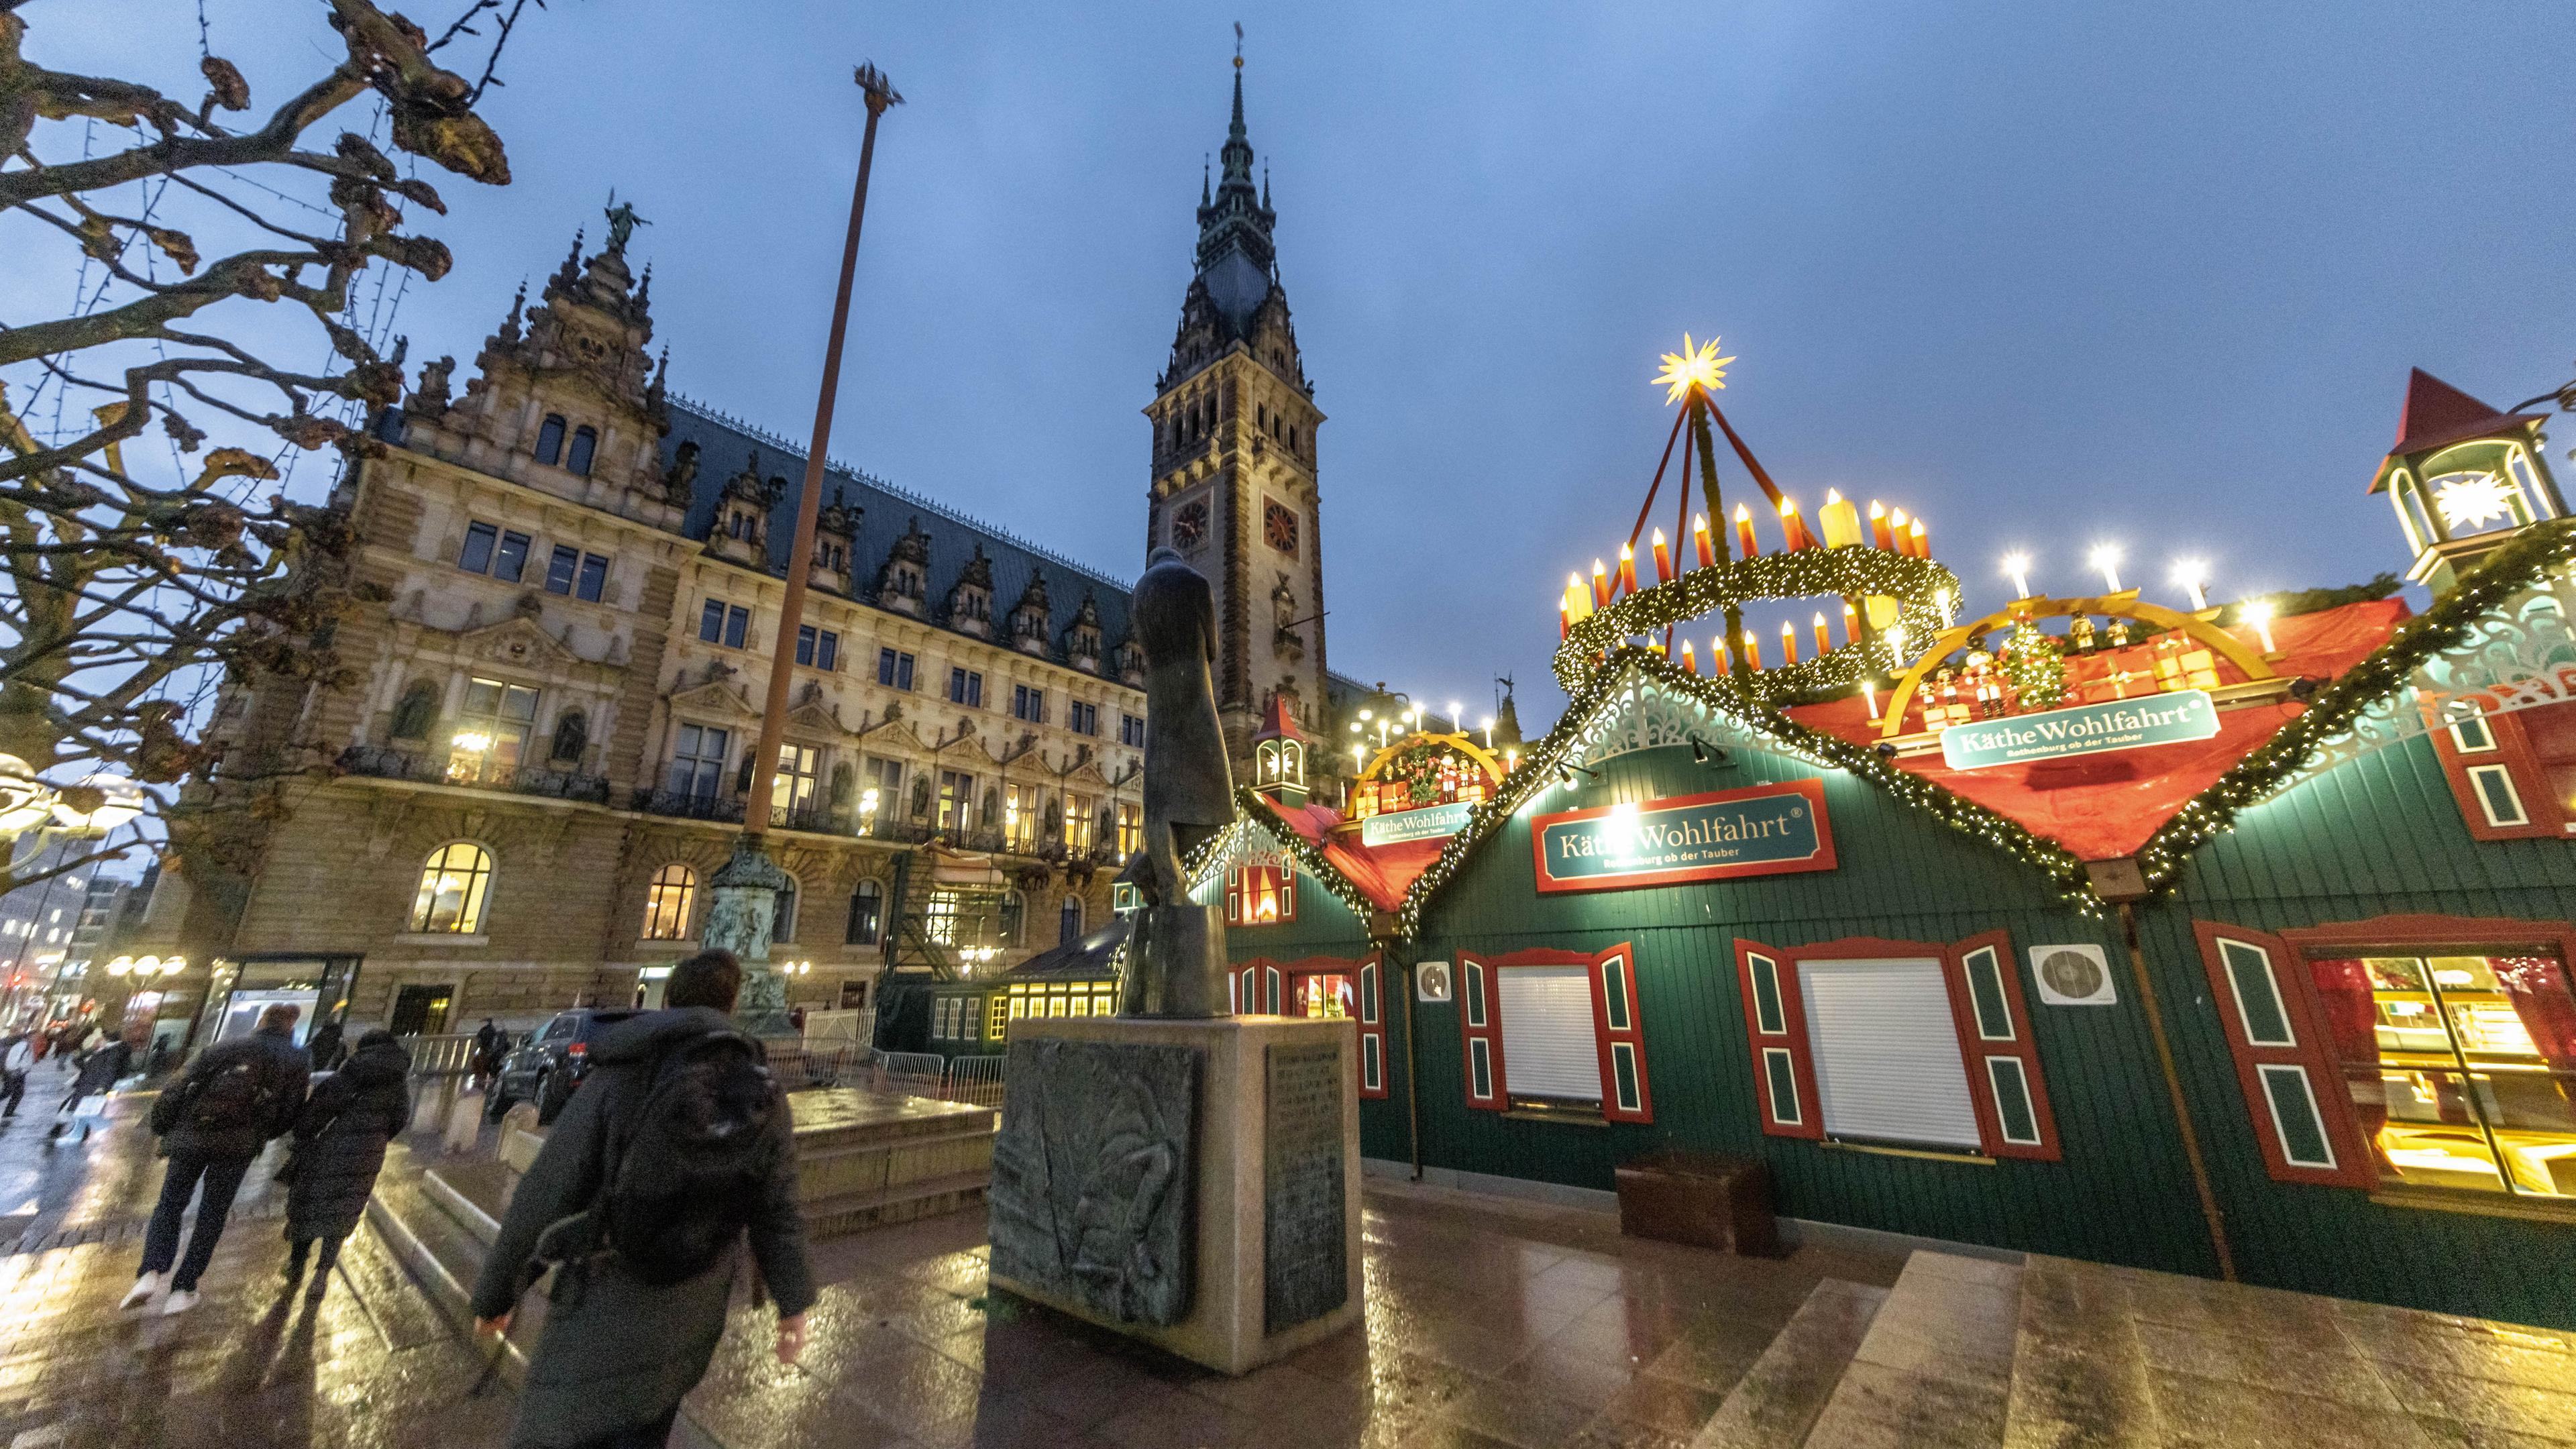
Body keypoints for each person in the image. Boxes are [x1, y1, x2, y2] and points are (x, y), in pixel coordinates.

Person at [472, 950, 814, 1449]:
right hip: (690, 1307)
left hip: (602, 1291)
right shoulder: (760, 1089)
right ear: (734, 1004)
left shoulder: (620, 1073)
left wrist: (499, 1292)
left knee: (562, 1424)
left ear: (668, 999)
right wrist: (793, 1305)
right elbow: (778, 1206)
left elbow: (549, 1189)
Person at [123, 1004, 311, 1316]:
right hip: (238, 1146)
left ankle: (150, 1272)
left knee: (170, 1203)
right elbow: (291, 1112)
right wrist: (261, 1133)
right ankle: (184, 1289)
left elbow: (179, 1086)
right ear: (291, 1026)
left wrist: (163, 1126)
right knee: (213, 1213)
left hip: (192, 1133)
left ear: (262, 1021)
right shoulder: (296, 1058)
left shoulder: (227, 1045)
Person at [282, 1030, 412, 1301]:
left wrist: (303, 1135)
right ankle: (323, 1271)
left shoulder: (352, 1072)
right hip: (368, 1153)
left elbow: (319, 1109)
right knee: (344, 1209)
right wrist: (376, 1138)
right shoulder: (399, 1083)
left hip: (329, 1147)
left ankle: (296, 1264)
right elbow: (399, 1120)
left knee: (310, 1203)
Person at [48, 1030, 132, 1141]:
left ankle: (73, 1133)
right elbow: (77, 1060)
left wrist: (102, 1087)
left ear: (106, 1039)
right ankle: (71, 1132)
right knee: (78, 1108)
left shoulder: (113, 1053)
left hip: (94, 1085)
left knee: (80, 1108)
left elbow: (110, 1071)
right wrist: (92, 1053)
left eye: (102, 1038)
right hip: (88, 1083)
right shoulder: (105, 1050)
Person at [1, 1031, 32, 1119]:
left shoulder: (8, 1042)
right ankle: (8, 1112)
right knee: (18, 1093)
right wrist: (20, 1069)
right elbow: (17, 1058)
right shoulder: (24, 1045)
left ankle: (9, 1112)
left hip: (7, 1070)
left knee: (7, 1091)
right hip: (17, 1072)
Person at [470, 1018, 506, 1091]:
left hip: (489, 1051)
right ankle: (481, 1077)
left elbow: (485, 1041)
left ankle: (482, 1078)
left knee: (482, 1063)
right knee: (479, 1062)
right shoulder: (491, 1031)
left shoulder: (490, 1031)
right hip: (488, 1051)